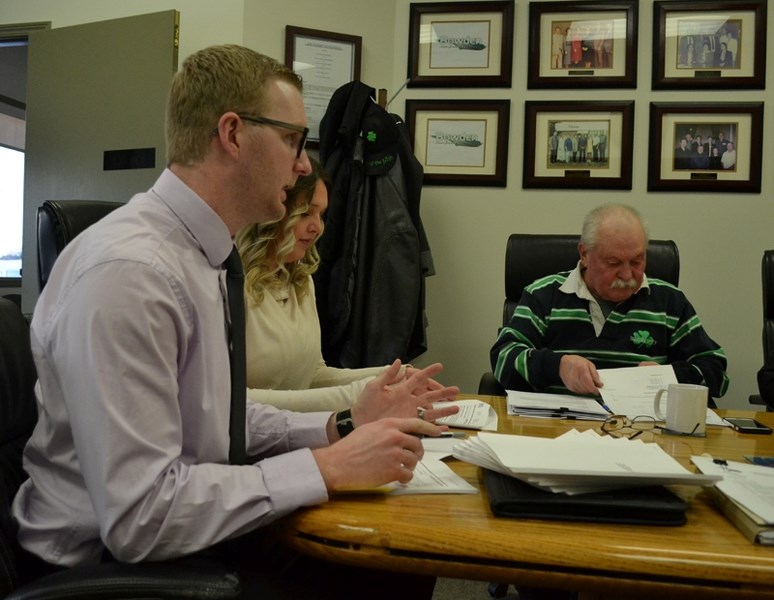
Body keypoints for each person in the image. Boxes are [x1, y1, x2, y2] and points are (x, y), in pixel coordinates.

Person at [12, 44, 459, 600]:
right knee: (387, 564)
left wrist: (341, 423)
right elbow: (140, 518)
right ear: (232, 134)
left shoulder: (204, 254)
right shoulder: (132, 273)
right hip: (102, 567)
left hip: (180, 529)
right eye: (294, 140)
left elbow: (214, 413)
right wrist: (326, 467)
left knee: (401, 553)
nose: (303, 165)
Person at [236, 157, 449, 411]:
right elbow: (235, 401)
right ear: (270, 214)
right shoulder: (230, 287)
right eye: (305, 213)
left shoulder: (300, 282)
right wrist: (360, 394)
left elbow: (312, 376)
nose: (317, 227)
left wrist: (392, 377)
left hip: (298, 432)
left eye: (321, 214)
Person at [489, 203, 729, 403]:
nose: (627, 275)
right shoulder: (544, 294)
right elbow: (503, 358)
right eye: (614, 263)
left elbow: (715, 371)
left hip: (643, 433)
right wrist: (557, 366)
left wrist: (668, 376)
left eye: (637, 262)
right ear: (584, 254)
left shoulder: (669, 301)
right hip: (556, 429)